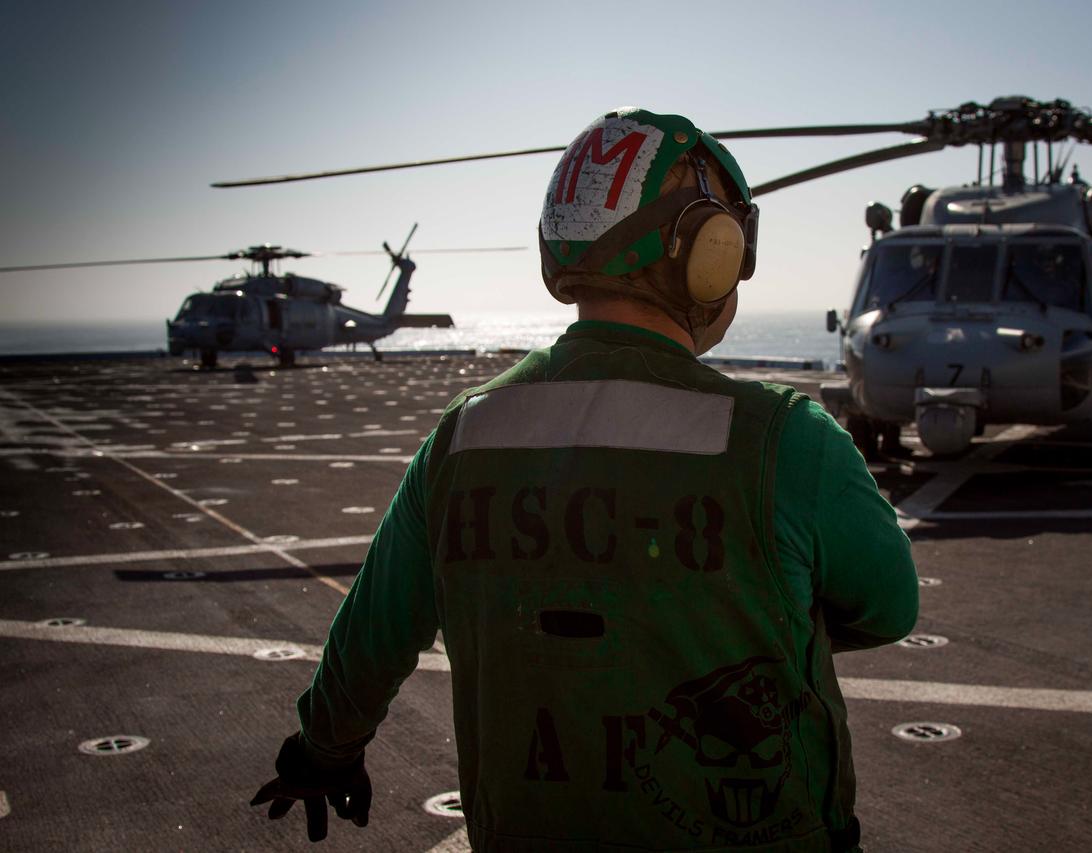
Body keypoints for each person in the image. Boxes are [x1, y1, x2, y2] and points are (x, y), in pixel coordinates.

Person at [251, 108, 919, 851]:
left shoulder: (462, 436)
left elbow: (375, 631)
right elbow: (889, 607)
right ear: (710, 249)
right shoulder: (787, 439)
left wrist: (322, 752)